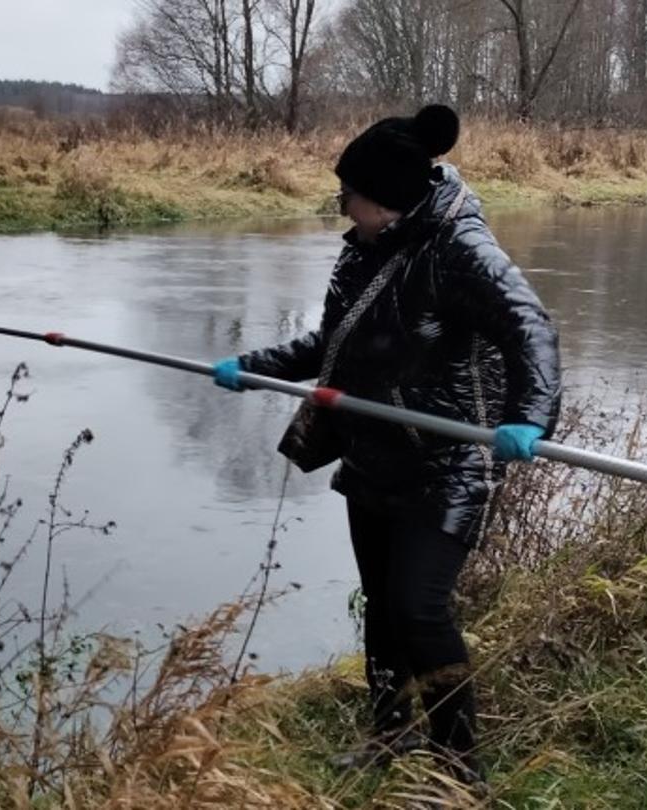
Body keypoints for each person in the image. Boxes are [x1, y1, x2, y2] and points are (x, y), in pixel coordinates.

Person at [210, 104, 562, 782]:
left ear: (389, 199)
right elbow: (335, 342)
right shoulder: (365, 248)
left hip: (447, 462)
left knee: (418, 607)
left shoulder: (461, 249)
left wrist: (532, 416)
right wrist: (259, 366)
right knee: (381, 603)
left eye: (351, 191)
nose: (341, 202)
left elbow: (532, 331)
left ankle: (459, 768)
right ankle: (391, 732)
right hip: (374, 456)